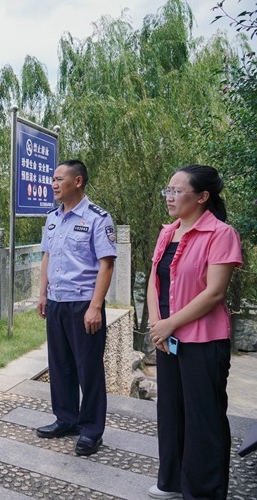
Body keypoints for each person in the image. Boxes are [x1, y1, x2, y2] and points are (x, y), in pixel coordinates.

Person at [146, 165, 242, 500]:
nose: (169, 197)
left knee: (204, 417)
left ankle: (204, 491)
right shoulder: (167, 232)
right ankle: (172, 481)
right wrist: (157, 325)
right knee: (170, 411)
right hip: (167, 339)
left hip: (204, 340)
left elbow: (214, 293)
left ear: (202, 197)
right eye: (168, 190)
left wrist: (170, 324)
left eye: (177, 191)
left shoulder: (221, 234)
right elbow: (154, 281)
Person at [36, 159, 117, 456]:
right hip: (57, 301)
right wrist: (42, 294)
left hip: (84, 303)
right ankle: (66, 419)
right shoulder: (53, 217)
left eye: (59, 179)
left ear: (78, 181)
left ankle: (92, 430)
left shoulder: (97, 218)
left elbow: (106, 264)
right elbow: (47, 256)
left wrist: (95, 306)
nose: (54, 184)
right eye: (53, 179)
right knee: (60, 365)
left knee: (88, 369)